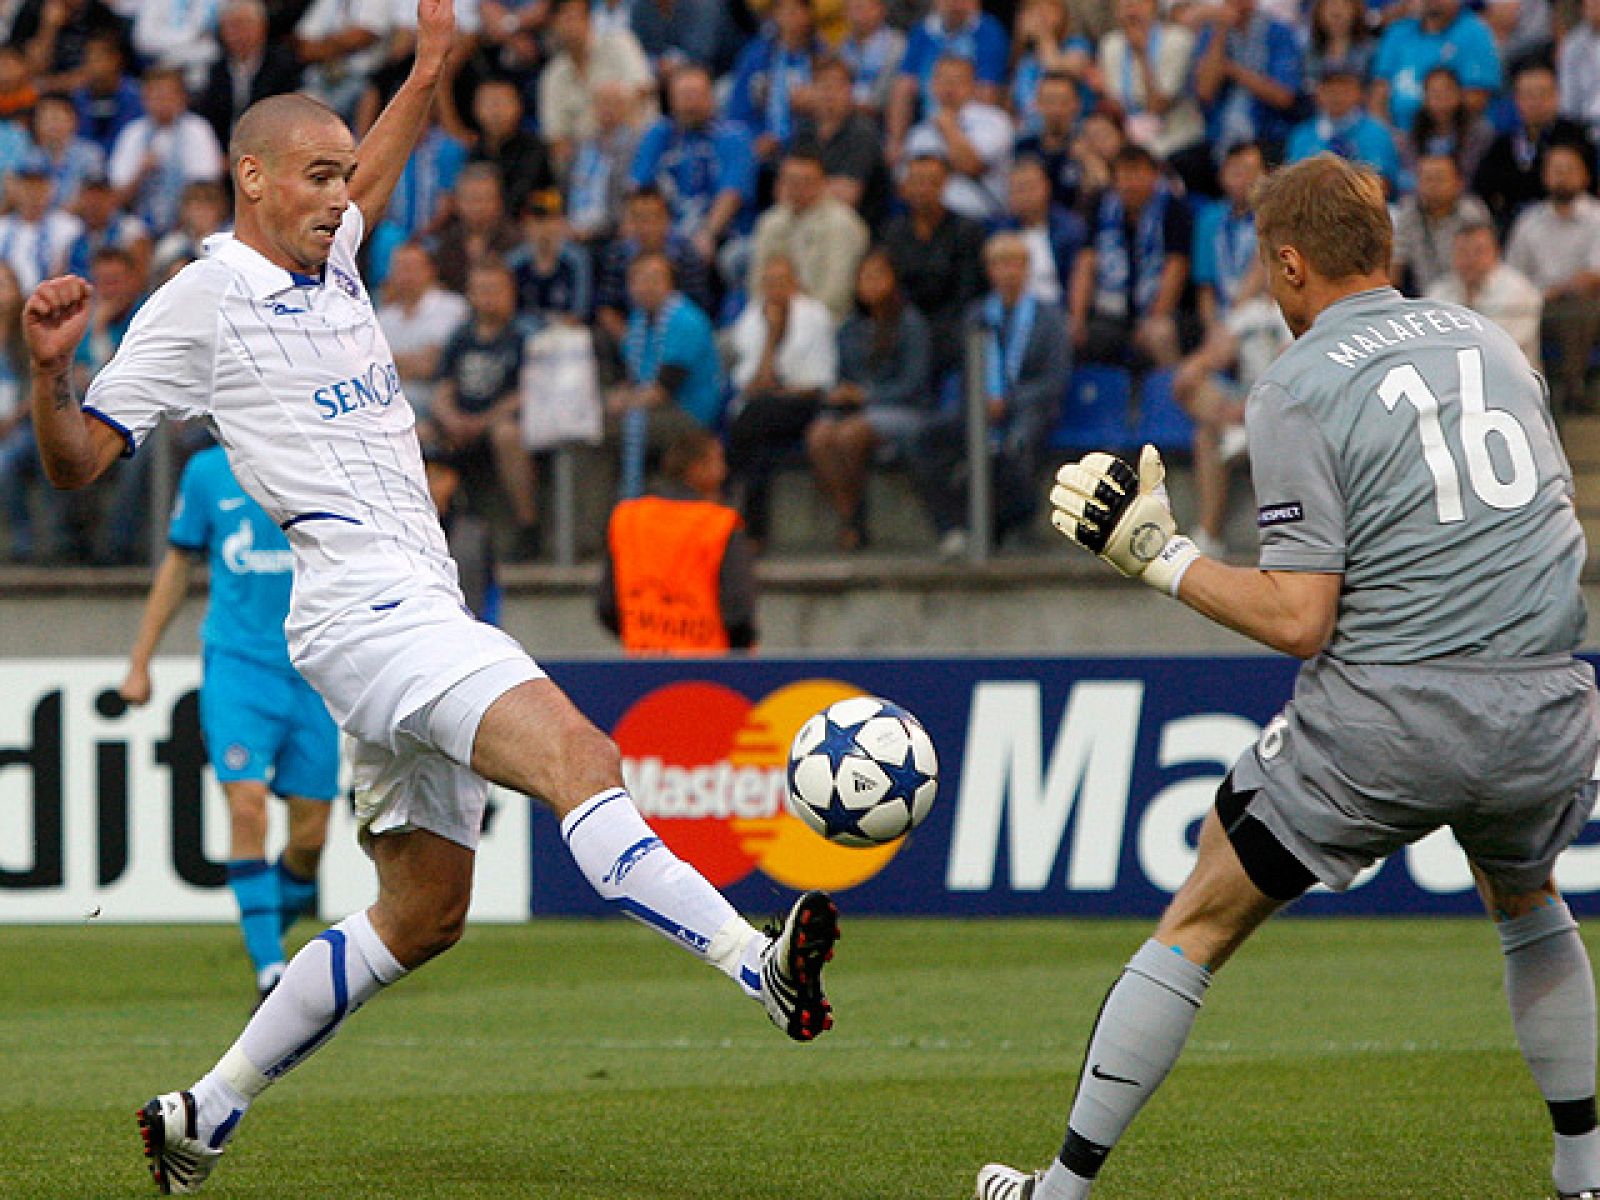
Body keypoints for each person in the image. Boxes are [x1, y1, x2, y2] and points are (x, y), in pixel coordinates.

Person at [20, 5, 839, 1194]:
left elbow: (387, 158)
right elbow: (82, 459)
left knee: (424, 909)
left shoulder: (334, 254)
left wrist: (431, 67)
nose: (338, 197)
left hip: (397, 613)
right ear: (248, 180)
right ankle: (757, 965)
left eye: (344, 178)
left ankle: (205, 1110)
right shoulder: (203, 299)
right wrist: (51, 376)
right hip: (370, 609)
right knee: (581, 757)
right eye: (314, 176)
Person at [979, 152, 1600, 1200]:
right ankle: (1582, 1175)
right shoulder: (1492, 342)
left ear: (1291, 262)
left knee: (1204, 907)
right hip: (1548, 702)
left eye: (1271, 271)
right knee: (1527, 898)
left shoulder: (1298, 383)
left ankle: (1062, 1187)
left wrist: (1158, 558)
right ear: (1387, 250)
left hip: (1394, 718)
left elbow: (1300, 618)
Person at [118, 442, 340, 1004]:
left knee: (310, 839)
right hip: (237, 668)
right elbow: (177, 563)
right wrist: (140, 661)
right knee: (246, 806)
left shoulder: (317, 456)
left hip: (312, 670)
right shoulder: (206, 471)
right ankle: (270, 968)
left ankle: (266, 928)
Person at [805, 247, 934, 551]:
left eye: (878, 275)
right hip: (854, 409)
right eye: (864, 276)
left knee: (851, 434)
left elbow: (914, 384)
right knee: (820, 436)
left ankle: (855, 519)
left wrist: (866, 395)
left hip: (904, 408)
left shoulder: (910, 323)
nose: (870, 283)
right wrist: (841, 393)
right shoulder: (850, 328)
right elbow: (839, 374)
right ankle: (849, 514)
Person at [598, 425, 758, 655]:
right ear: (697, 469)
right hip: (709, 671)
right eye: (717, 461)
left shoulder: (627, 518)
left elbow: (607, 605)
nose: (724, 470)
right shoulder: (720, 524)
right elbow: (738, 611)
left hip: (640, 665)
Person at [726, 253, 839, 550]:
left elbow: (816, 385)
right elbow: (753, 382)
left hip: (804, 404)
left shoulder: (815, 316)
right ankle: (754, 532)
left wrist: (775, 391)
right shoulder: (752, 318)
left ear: (795, 284)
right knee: (757, 444)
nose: (774, 289)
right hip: (763, 410)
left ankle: (724, 500)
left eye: (781, 282)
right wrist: (771, 337)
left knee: (748, 421)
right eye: (768, 283)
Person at [608, 251, 723, 499]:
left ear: (669, 284)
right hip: (655, 407)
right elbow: (634, 376)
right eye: (639, 279)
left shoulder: (685, 320)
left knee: (601, 430)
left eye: (654, 279)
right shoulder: (639, 321)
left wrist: (621, 402)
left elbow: (662, 390)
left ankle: (607, 517)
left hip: (688, 413)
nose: (646, 287)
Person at [1504, 143, 1600, 412]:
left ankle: (1570, 390)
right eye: (1556, 170)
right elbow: (1511, 273)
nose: (1562, 176)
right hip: (1536, 304)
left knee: (1578, 309)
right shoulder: (1528, 221)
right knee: (1507, 307)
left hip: (1587, 304)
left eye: (1569, 170)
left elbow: (1593, 277)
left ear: (1585, 176)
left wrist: (1552, 291)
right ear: (1545, 176)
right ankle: (1523, 397)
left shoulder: (1597, 217)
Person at [748, 146, 870, 323]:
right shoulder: (770, 222)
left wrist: (797, 315)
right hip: (771, 317)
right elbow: (756, 284)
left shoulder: (843, 225)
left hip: (827, 321)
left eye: (805, 181)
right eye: (790, 181)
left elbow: (838, 294)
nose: (797, 188)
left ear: (823, 183)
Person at [1427, 218, 1543, 368]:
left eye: (1479, 251)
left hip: (1510, 381)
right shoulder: (1437, 293)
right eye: (1462, 252)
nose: (1470, 259)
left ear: (1496, 253)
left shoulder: (1520, 291)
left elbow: (1499, 350)